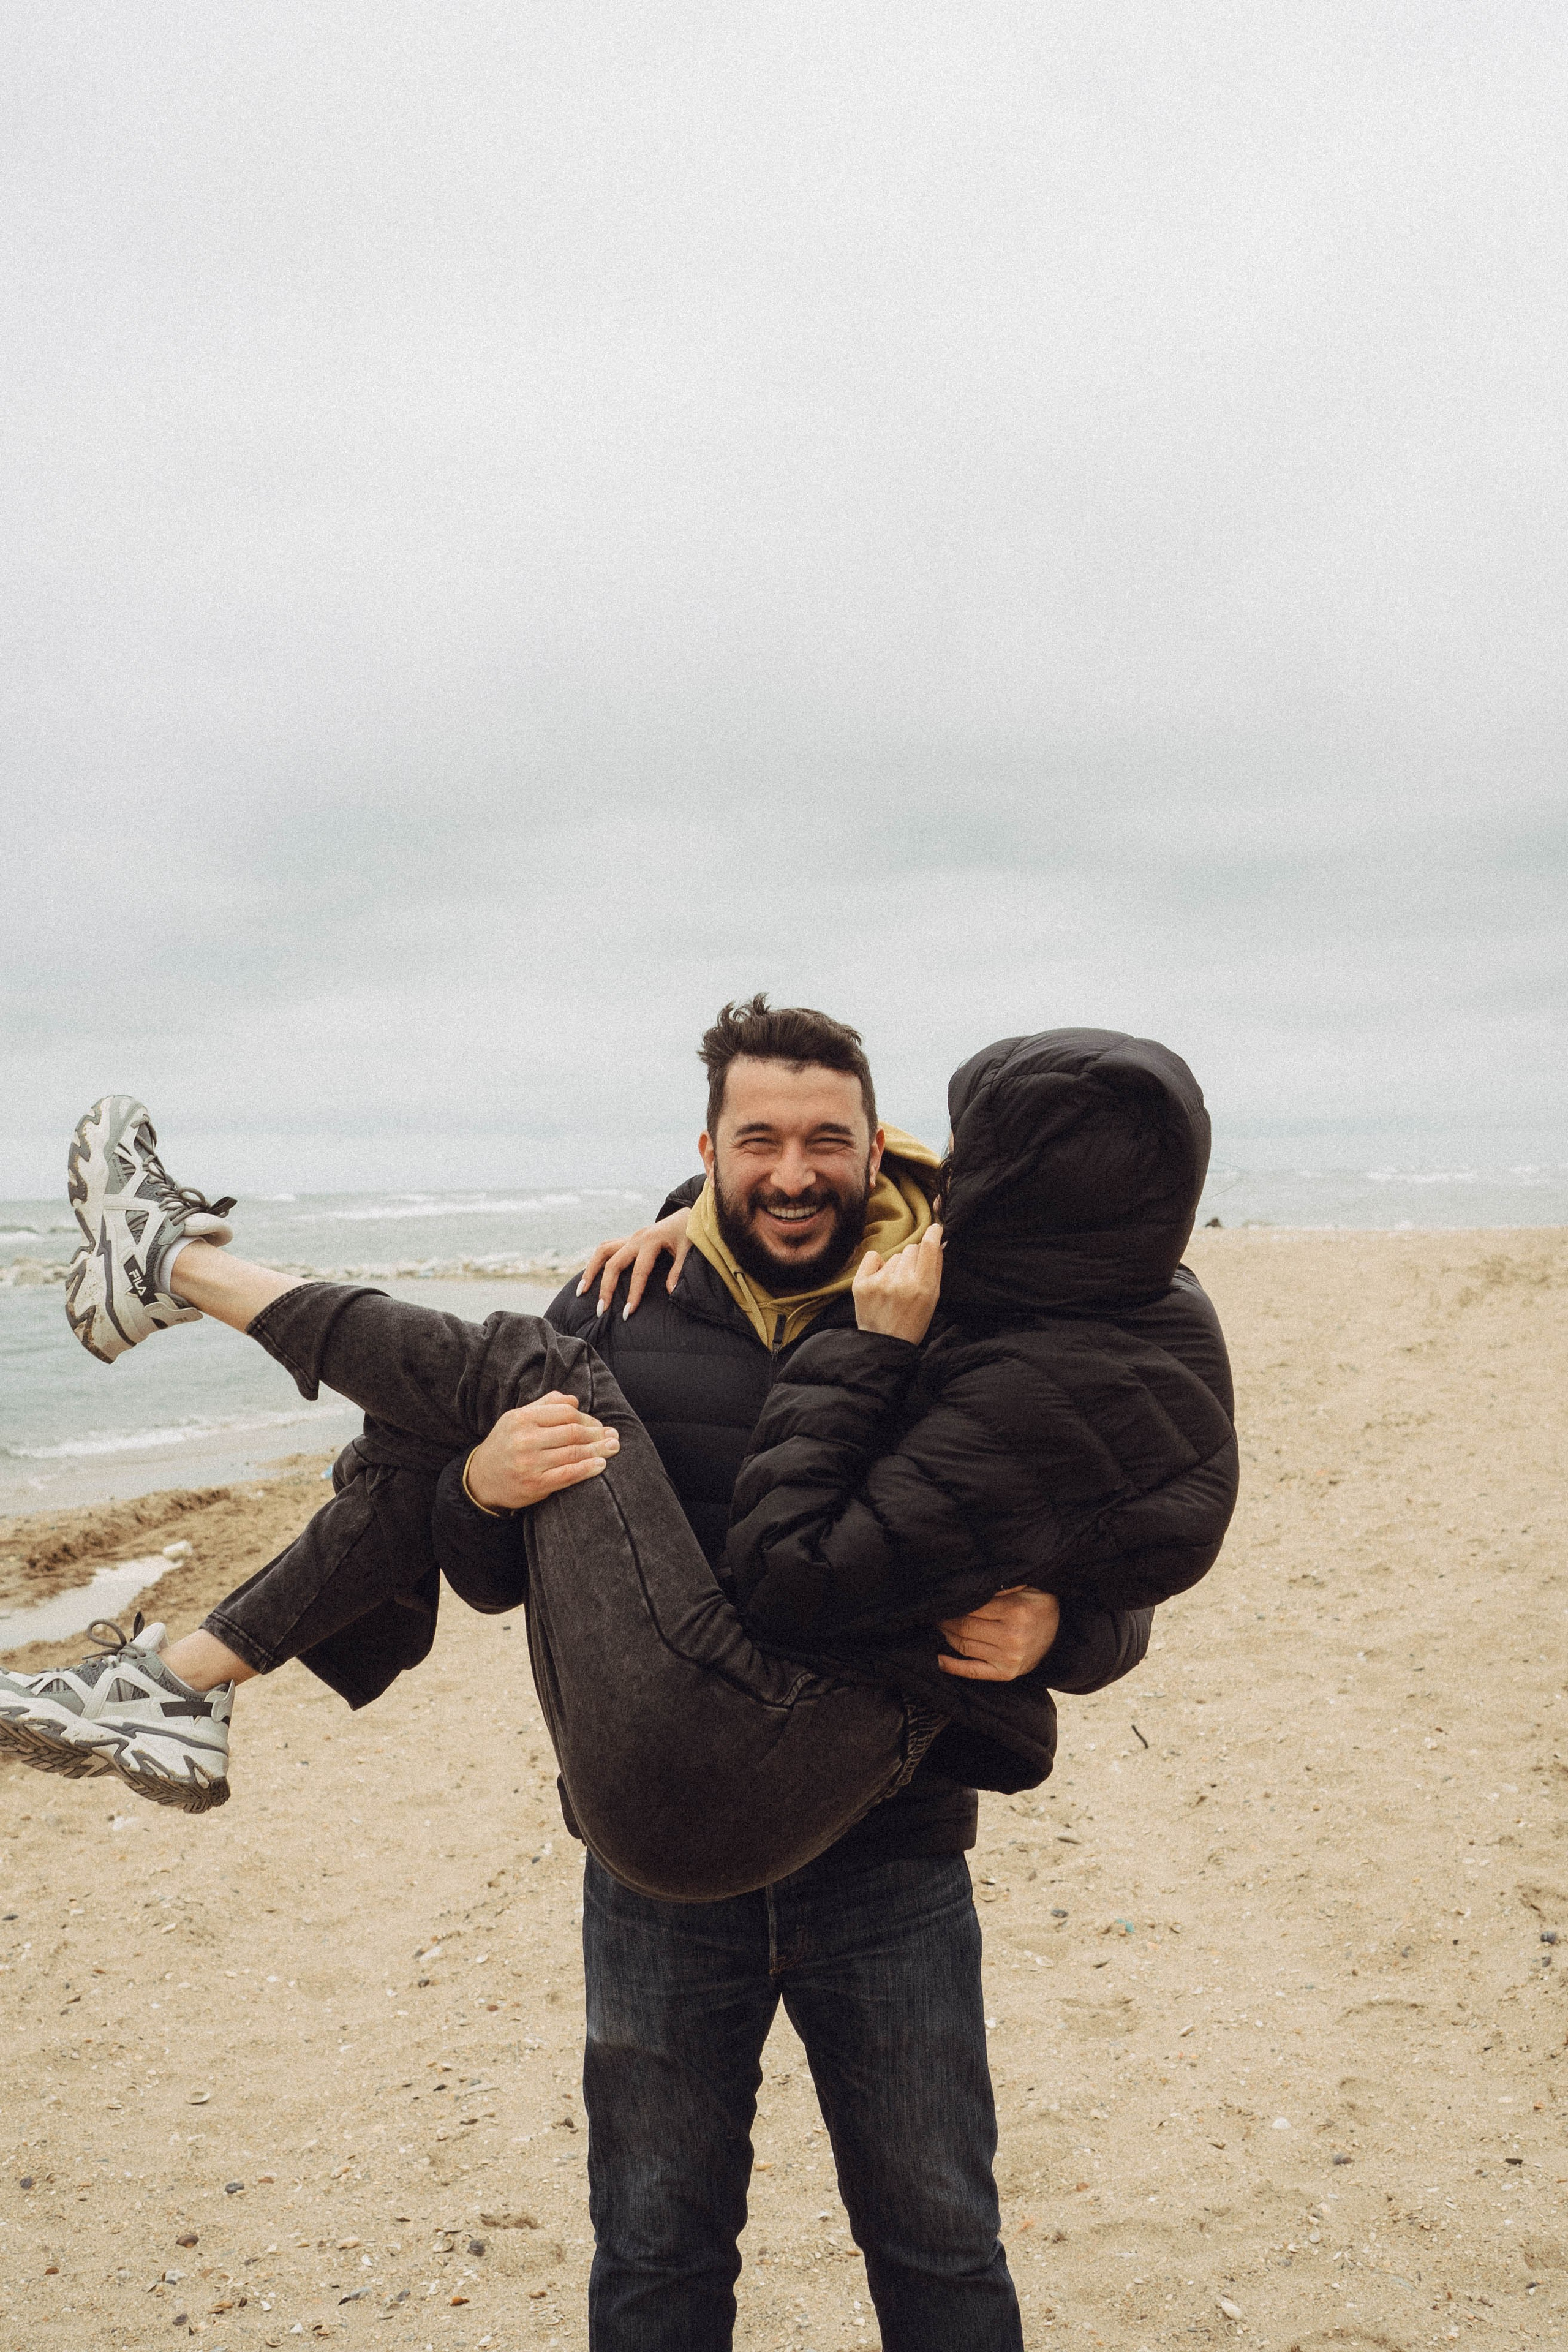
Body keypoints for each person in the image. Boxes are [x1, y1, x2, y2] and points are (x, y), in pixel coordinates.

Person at [0, 1001, 1237, 2350]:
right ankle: (180, 1617)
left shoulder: (958, 1310)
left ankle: (176, 1388)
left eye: (826, 1141)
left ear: (880, 1151)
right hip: (653, 1889)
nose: (789, 1172)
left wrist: (1061, 1633)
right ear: (704, 1148)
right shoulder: (617, 1301)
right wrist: (480, 1485)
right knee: (655, 2249)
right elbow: (493, 1571)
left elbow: (1101, 1570)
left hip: (891, 1865)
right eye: (755, 1140)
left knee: (939, 2239)